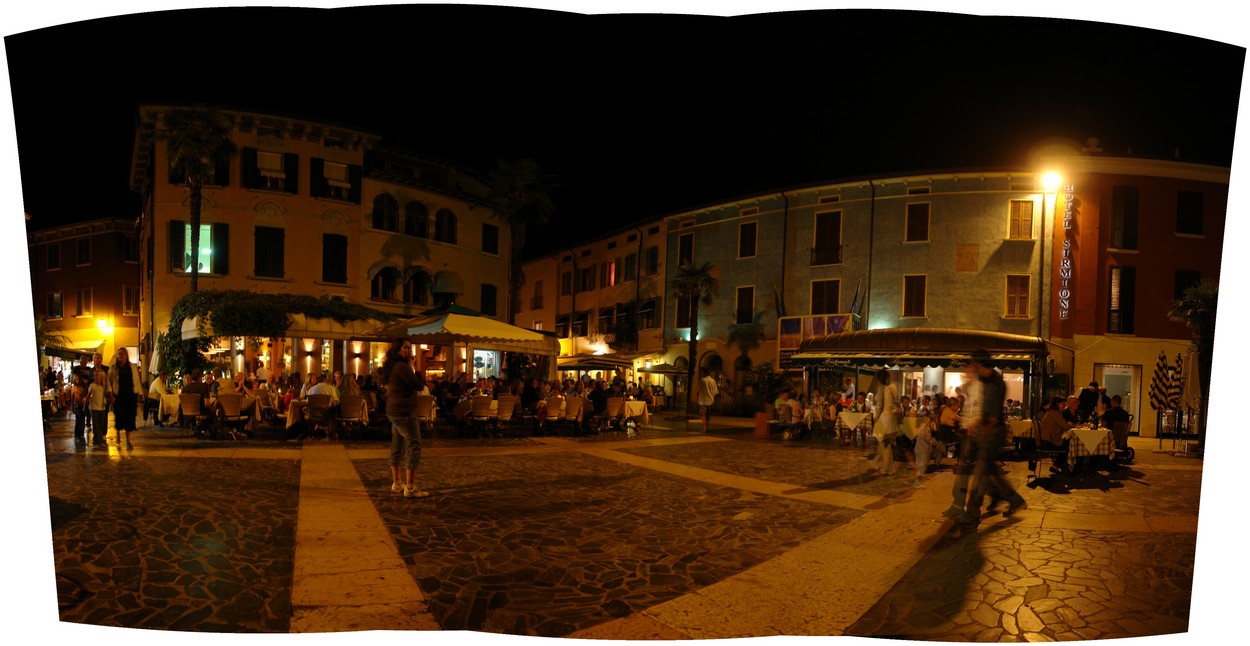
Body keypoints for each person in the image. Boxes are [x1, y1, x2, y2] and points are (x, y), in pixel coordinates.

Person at [961, 350, 1027, 526]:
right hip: (984, 430)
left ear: (984, 366)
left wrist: (984, 429)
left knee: (980, 473)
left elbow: (995, 415)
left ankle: (972, 513)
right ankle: (1012, 498)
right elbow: (981, 404)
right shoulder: (984, 379)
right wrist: (976, 423)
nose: (976, 371)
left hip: (993, 433)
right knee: (992, 471)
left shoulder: (998, 382)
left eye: (977, 367)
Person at [381, 338, 429, 498]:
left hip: (394, 411)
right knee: (414, 445)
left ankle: (397, 483)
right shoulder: (402, 366)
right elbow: (419, 385)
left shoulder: (392, 366)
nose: (409, 350)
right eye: (406, 348)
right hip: (404, 413)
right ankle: (410, 487)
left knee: (397, 445)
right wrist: (415, 367)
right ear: (398, 350)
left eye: (410, 348)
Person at [106, 348, 144, 450]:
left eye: (122, 354)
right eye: (118, 354)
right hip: (118, 395)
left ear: (126, 355)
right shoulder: (114, 368)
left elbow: (136, 380)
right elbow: (108, 381)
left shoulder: (132, 367)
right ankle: (118, 436)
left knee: (130, 418)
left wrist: (139, 393)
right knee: (119, 417)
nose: (120, 356)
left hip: (130, 395)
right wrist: (110, 395)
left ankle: (128, 439)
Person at [1039, 395, 1073, 474]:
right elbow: (1066, 426)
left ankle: (1058, 466)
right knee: (1069, 444)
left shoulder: (1050, 412)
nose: (1064, 405)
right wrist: (1072, 425)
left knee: (1067, 442)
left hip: (1044, 440)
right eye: (1063, 403)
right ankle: (1062, 466)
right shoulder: (1055, 413)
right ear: (1057, 404)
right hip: (1049, 441)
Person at [88, 368, 110, 448]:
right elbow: (88, 396)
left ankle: (99, 440)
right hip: (94, 408)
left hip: (102, 408)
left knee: (101, 425)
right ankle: (97, 442)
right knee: (96, 425)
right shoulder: (92, 386)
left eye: (97, 376)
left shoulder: (104, 387)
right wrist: (85, 405)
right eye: (95, 376)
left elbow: (107, 395)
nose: (96, 377)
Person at [695, 367, 719, 433]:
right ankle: (707, 428)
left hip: (703, 401)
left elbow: (697, 391)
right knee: (708, 415)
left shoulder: (702, 380)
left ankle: (704, 429)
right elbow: (715, 392)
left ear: (704, 373)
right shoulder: (713, 381)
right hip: (711, 401)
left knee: (703, 415)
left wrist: (697, 400)